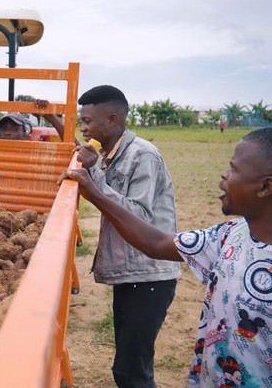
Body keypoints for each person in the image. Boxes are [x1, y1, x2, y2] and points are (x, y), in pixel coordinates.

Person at [64, 127, 272, 387]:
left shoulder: (143, 154)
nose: (223, 174)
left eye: (234, 169)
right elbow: (157, 242)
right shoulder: (230, 235)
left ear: (265, 186)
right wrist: (94, 194)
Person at [72, 85, 182, 387]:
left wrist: (94, 181)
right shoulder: (110, 153)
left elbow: (140, 217)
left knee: (132, 370)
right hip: (132, 274)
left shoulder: (141, 155)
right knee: (125, 365)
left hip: (150, 275)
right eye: (82, 121)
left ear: (112, 119)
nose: (83, 128)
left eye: (88, 122)